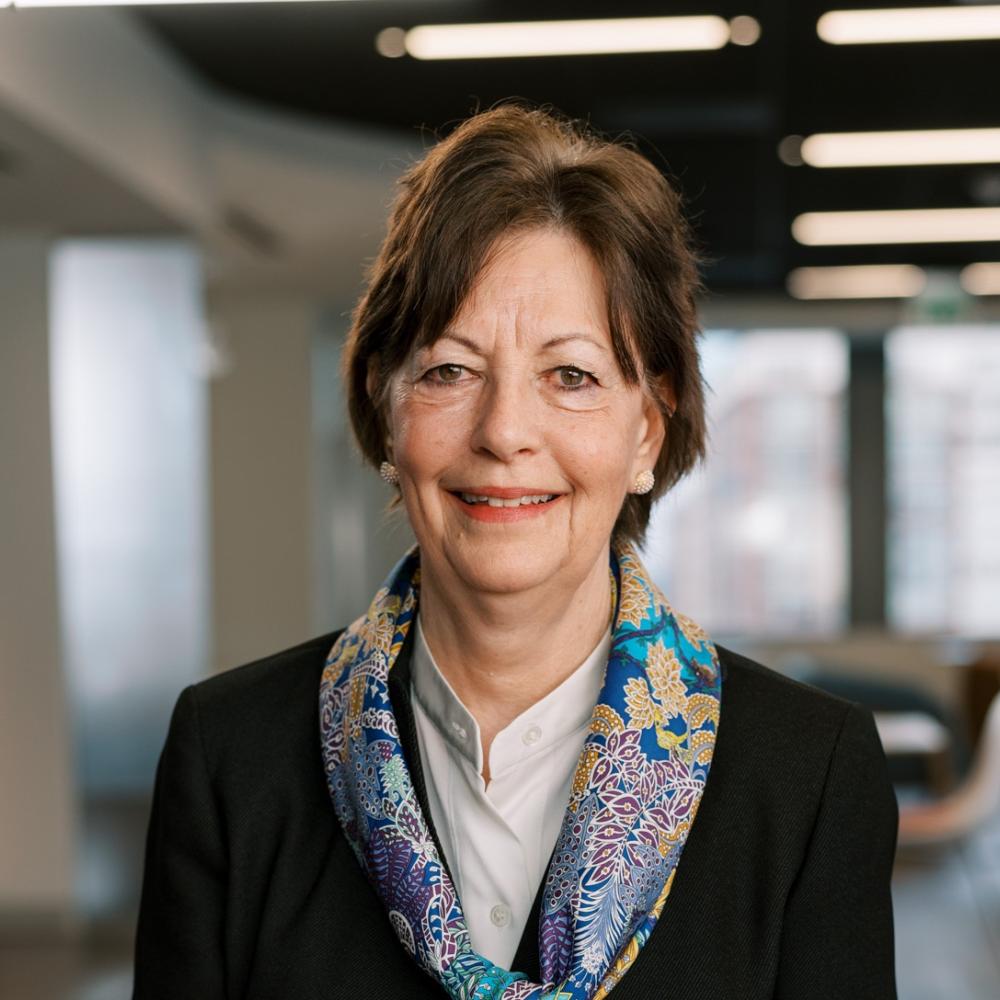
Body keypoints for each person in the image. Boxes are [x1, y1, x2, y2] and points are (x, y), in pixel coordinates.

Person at [133, 103, 898, 1000]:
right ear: (387, 412)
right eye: (450, 370)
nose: (503, 432)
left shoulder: (806, 774)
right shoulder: (231, 756)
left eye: (569, 376)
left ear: (647, 433)